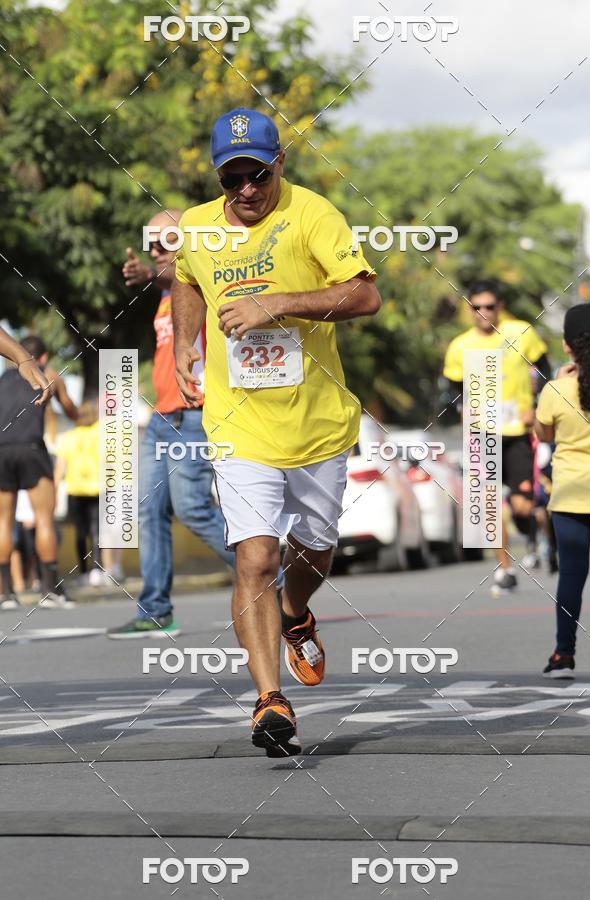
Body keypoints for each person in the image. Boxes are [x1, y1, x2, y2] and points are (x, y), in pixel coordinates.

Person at [172, 107, 381, 756]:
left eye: (257, 174)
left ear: (279, 164)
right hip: (239, 426)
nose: (246, 190)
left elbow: (364, 295)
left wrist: (277, 302)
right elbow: (186, 280)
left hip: (316, 424)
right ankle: (269, 699)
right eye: (231, 177)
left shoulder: (313, 215)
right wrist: (185, 340)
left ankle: (297, 612)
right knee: (255, 557)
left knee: (315, 550)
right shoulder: (198, 228)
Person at [107, 209, 236, 638]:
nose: (157, 250)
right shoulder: (167, 299)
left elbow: (183, 272)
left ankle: (269, 574)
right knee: (148, 510)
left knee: (193, 508)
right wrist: (156, 278)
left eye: (166, 242)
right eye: (152, 244)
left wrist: (153, 273)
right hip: (163, 415)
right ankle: (155, 609)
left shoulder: (200, 283)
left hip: (194, 415)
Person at [443, 278, 551, 596]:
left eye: (489, 306)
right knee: (488, 506)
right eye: (477, 307)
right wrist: (462, 407)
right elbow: (450, 388)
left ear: (500, 307)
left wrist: (536, 406)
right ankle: (505, 569)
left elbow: (544, 370)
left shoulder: (521, 333)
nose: (483, 313)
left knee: (520, 506)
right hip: (481, 433)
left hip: (517, 431)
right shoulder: (460, 346)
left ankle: (528, 528)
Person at [534, 303, 590, 678]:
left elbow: (544, 435)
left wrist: (559, 381)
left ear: (567, 345)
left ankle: (564, 654)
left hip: (570, 497)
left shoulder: (557, 389)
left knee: (571, 578)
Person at [0, 335, 78, 609]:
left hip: (2, 448)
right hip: (32, 448)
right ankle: (50, 590)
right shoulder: (49, 374)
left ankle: (5, 593)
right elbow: (71, 412)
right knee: (44, 518)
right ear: (42, 358)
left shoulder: (2, 381)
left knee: (3, 521)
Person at [54, 400, 103, 586]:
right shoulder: (102, 434)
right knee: (97, 531)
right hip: (98, 489)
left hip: (75, 490)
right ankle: (97, 571)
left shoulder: (68, 436)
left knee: (80, 533)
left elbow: (60, 467)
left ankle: (83, 572)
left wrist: (55, 490)